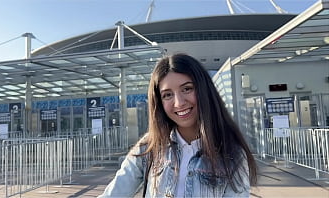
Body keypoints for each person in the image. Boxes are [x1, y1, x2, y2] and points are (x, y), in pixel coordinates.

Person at [99, 53, 257, 197]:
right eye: (167, 95)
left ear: (204, 90)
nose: (179, 103)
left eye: (187, 89)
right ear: (159, 102)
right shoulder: (149, 147)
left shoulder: (232, 153)